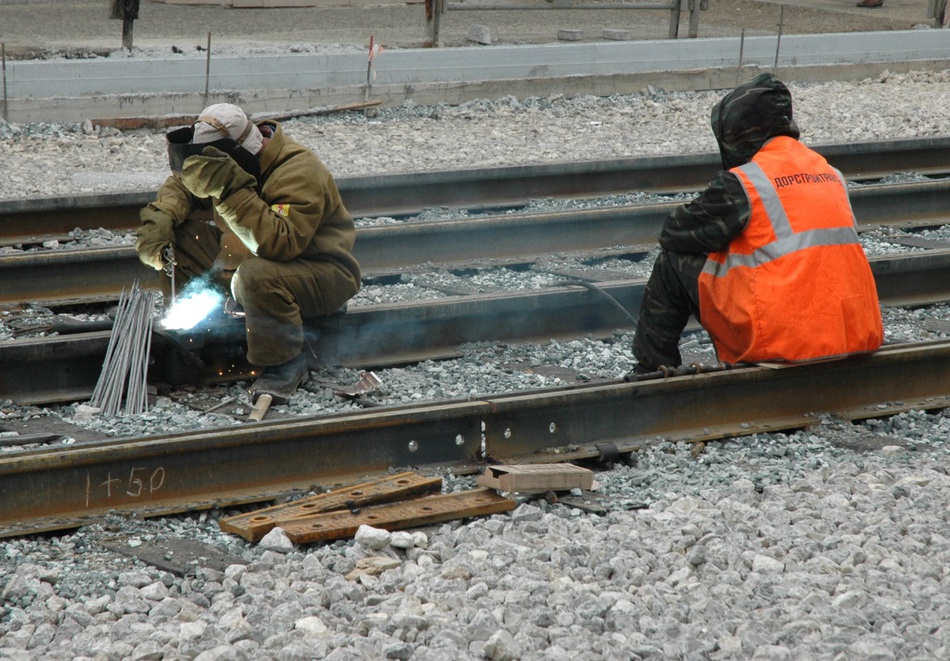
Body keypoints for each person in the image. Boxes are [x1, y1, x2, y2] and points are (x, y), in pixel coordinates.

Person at [631, 73, 883, 375]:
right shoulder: (830, 173)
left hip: (784, 341)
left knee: (672, 262)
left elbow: (674, 233)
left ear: (739, 132)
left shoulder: (747, 181)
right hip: (854, 335)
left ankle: (651, 370)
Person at [135, 103, 361, 403]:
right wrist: (162, 216)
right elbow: (183, 184)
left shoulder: (299, 170)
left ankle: (285, 363)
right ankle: (191, 338)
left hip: (319, 273)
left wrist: (231, 190)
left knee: (256, 277)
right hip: (249, 264)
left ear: (238, 154)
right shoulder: (232, 163)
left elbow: (280, 243)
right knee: (179, 239)